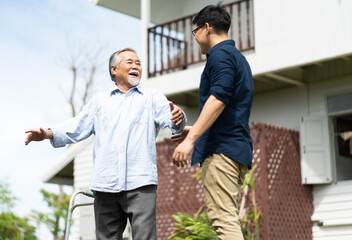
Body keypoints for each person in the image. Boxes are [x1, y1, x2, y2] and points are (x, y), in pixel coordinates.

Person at [25, 48, 186, 240]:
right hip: (105, 185)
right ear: (114, 70)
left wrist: (178, 118)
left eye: (138, 63)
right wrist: (47, 134)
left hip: (141, 183)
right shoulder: (100, 102)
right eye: (129, 62)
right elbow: (77, 126)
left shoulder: (152, 97)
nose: (136, 66)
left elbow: (172, 120)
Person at [171, 4, 253, 240]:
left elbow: (219, 98)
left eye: (194, 31)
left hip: (222, 151)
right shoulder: (237, 58)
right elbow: (230, 106)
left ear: (206, 28)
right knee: (227, 218)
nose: (195, 38)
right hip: (234, 148)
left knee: (223, 221)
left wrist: (191, 141)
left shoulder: (220, 55)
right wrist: (192, 129)